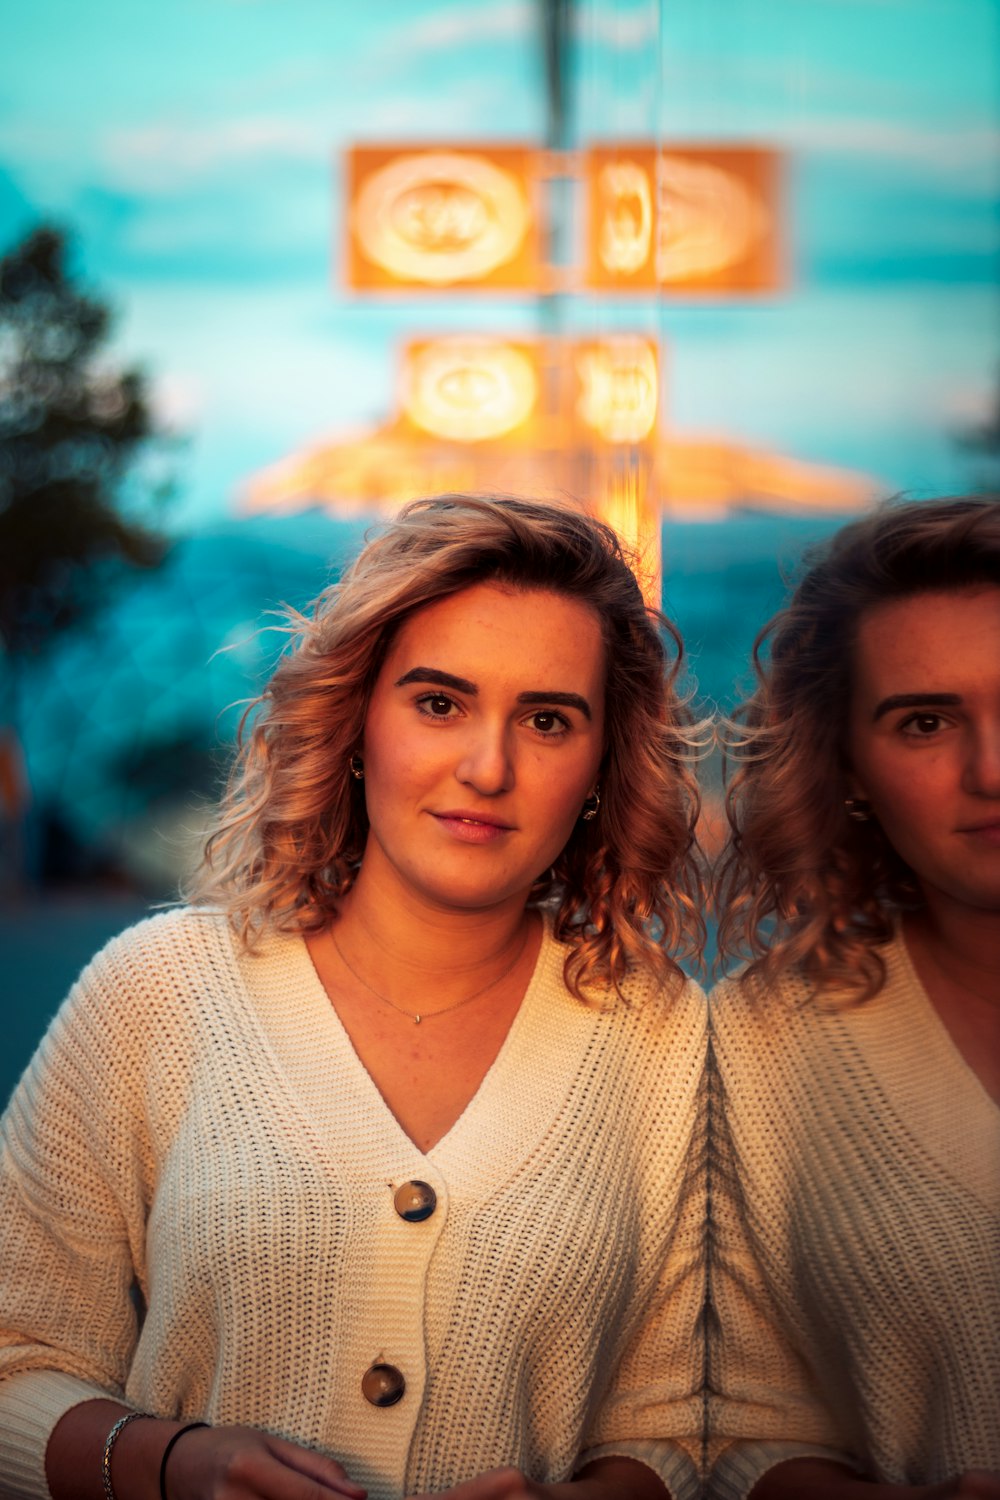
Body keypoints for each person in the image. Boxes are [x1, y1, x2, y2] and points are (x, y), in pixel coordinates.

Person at [0, 495, 708, 1500]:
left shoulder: (663, 1036)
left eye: (547, 720)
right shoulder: (154, 990)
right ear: (357, 719)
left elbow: (684, 1424)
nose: (487, 767)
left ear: (599, 764)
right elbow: (13, 1358)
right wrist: (166, 1463)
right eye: (438, 703)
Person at [708, 497, 1000, 1498]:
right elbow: (740, 1424)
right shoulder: (769, 1040)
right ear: (852, 770)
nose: (991, 771)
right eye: (924, 722)